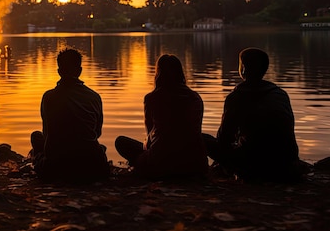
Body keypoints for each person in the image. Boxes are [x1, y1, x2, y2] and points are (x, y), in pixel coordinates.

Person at [204, 48, 301, 182]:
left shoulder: (236, 97)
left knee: (203, 139)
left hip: (255, 167)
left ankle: (225, 170)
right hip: (287, 165)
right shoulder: (281, 94)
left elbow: (224, 139)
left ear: (243, 69)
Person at [115, 54, 208, 179]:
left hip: (161, 164)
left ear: (158, 74)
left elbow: (150, 137)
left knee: (121, 142)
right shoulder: (195, 97)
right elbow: (196, 131)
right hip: (196, 166)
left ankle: (144, 168)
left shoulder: (152, 98)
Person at [30, 48, 110, 183]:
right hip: (94, 166)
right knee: (97, 147)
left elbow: (47, 133)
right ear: (79, 71)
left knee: (37, 137)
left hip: (58, 167)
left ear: (59, 72)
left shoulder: (49, 97)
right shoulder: (94, 97)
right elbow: (97, 133)